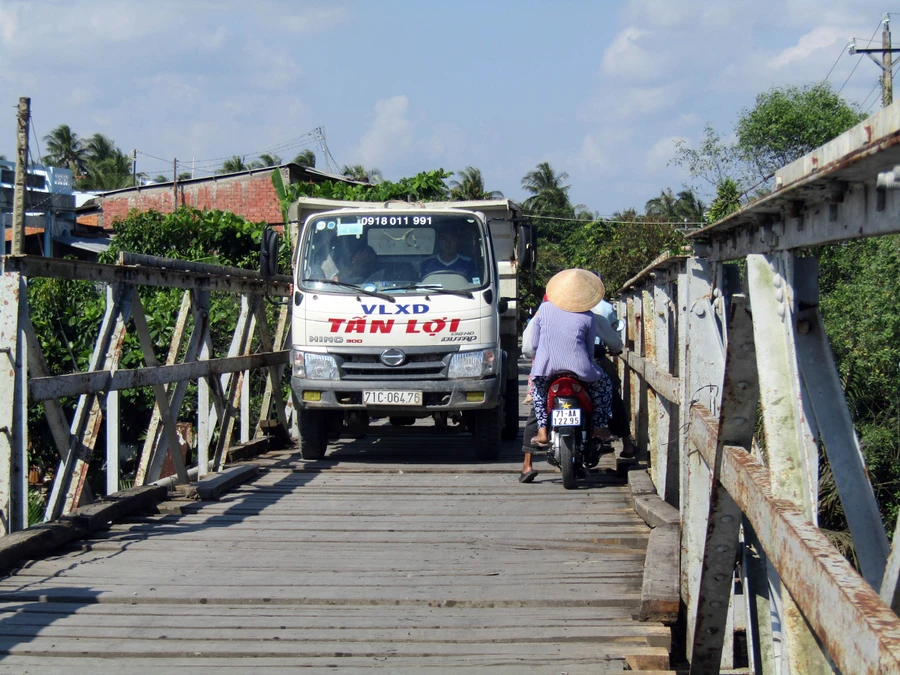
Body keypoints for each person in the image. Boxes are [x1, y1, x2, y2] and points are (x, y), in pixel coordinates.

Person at [519, 269, 613, 482]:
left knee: (540, 398)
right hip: (579, 369)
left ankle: (542, 431)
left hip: (546, 368)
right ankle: (598, 427)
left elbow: (533, 344)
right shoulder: (588, 316)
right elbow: (589, 350)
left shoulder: (543, 310)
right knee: (604, 386)